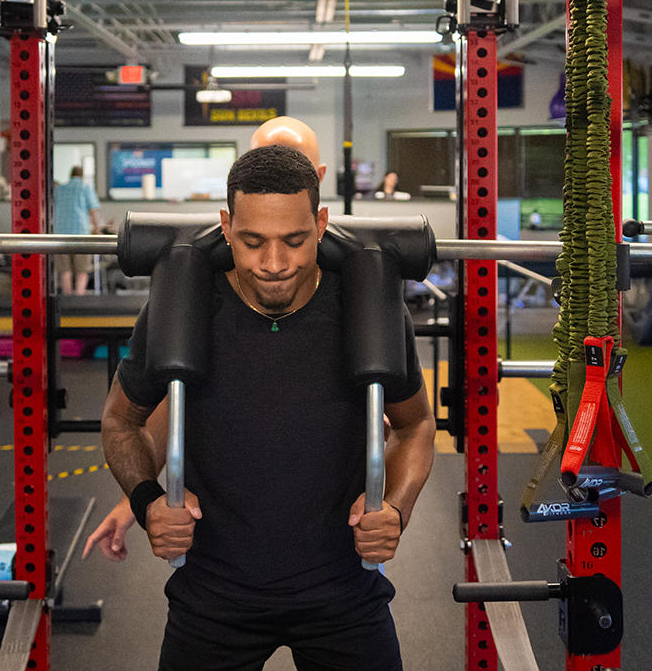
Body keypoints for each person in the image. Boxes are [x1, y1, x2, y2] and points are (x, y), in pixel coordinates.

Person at [100, 146, 435, 670]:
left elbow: (415, 425)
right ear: (226, 226)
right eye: (253, 242)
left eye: (294, 241)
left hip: (344, 597)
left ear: (321, 224)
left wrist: (396, 507)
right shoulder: (182, 310)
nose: (275, 264)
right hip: (212, 600)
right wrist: (145, 501)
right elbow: (122, 420)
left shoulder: (365, 308)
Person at [85, 117, 333, 561]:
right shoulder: (200, 278)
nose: (274, 261)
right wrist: (140, 499)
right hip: (220, 561)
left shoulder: (356, 277)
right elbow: (174, 393)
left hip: (330, 551)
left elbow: (406, 422)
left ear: (318, 181)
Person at [54, 165, 102, 295]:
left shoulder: (59, 189)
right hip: (81, 234)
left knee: (65, 270)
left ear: (70, 175)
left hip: (60, 235)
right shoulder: (85, 188)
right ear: (81, 176)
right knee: (82, 270)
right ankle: (79, 297)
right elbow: (93, 210)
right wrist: (97, 228)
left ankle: (68, 297)